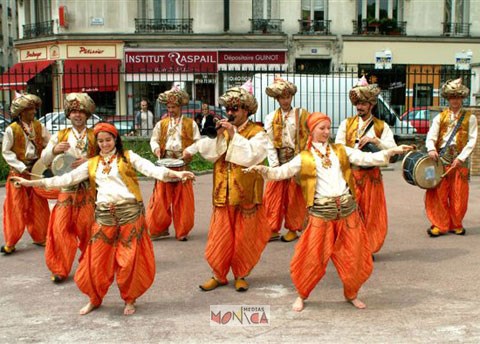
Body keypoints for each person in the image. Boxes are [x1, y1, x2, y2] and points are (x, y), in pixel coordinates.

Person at [12, 122, 195, 315]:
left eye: (108, 140)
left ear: (115, 139)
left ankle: (130, 299)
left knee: (129, 260)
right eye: (100, 141)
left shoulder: (128, 157)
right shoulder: (92, 163)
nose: (104, 144)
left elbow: (152, 170)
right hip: (104, 215)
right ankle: (94, 298)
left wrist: (177, 173)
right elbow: (65, 179)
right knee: (96, 261)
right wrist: (30, 182)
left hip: (130, 214)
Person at [245, 112, 411, 311]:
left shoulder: (340, 151)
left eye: (327, 128)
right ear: (312, 130)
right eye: (321, 128)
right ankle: (302, 294)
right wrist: (264, 171)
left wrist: (392, 151)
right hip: (321, 216)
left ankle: (352, 293)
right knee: (310, 257)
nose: (325, 132)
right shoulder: (304, 157)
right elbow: (283, 172)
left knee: (354, 256)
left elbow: (366, 158)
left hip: (348, 213)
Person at [183, 82, 270, 292]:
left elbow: (251, 156)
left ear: (246, 110)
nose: (230, 113)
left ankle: (240, 274)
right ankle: (218, 274)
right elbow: (212, 153)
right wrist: (216, 136)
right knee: (219, 238)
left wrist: (233, 135)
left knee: (244, 239)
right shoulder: (224, 129)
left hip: (246, 195)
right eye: (228, 109)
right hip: (222, 193)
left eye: (235, 109)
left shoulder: (258, 132)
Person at [335, 76, 397, 255]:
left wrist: (376, 141)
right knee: (349, 214)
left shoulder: (381, 127)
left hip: (371, 177)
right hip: (351, 176)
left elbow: (392, 152)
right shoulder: (346, 124)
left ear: (371, 104)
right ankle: (351, 246)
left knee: (371, 215)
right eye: (357, 103)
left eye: (363, 103)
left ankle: (367, 248)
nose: (359, 107)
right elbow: (339, 148)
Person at [40, 93, 97, 282]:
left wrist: (89, 160)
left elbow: (109, 157)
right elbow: (45, 158)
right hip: (66, 190)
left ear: (87, 114)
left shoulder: (95, 135)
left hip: (88, 189)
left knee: (88, 228)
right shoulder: (60, 135)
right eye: (73, 111)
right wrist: (54, 150)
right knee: (60, 228)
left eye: (80, 111)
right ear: (68, 114)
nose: (77, 115)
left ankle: (91, 264)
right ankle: (59, 268)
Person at [425, 78, 478, 237]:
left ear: (462, 98)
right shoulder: (439, 118)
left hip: (460, 160)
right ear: (448, 99)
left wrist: (461, 157)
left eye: (458, 97)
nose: (455, 101)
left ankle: (456, 223)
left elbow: (472, 139)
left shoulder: (471, 118)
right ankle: (440, 224)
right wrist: (430, 149)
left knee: (459, 194)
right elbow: (431, 136)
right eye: (452, 97)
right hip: (442, 159)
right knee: (439, 193)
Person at [147, 86, 201, 241]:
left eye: (173, 107)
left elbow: (198, 142)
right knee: (160, 199)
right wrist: (156, 149)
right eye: (168, 107)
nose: (170, 109)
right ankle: (159, 229)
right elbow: (154, 139)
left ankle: (182, 231)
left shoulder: (191, 124)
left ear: (180, 107)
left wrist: (189, 151)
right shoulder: (161, 124)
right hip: (164, 163)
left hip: (182, 163)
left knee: (182, 200)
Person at [1, 94, 51, 255]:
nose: (33, 111)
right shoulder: (12, 130)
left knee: (39, 205)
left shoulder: (38, 126)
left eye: (34, 108)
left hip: (36, 171)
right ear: (21, 112)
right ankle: (11, 241)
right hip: (19, 172)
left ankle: (41, 236)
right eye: (30, 109)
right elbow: (6, 152)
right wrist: (20, 166)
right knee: (15, 207)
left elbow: (49, 144)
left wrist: (50, 156)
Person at [263, 76, 310, 242]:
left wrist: (301, 160)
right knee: (273, 195)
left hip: (295, 159)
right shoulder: (270, 118)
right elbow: (268, 142)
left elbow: (308, 136)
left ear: (291, 97)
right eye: (282, 97)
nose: (285, 100)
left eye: (287, 97)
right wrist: (274, 164)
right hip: (278, 158)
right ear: (277, 99)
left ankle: (293, 228)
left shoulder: (301, 115)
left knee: (294, 197)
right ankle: (272, 228)